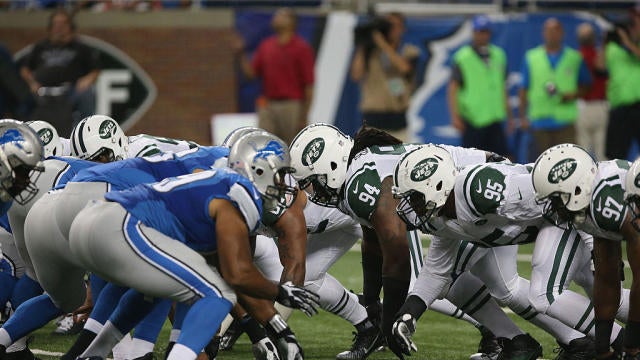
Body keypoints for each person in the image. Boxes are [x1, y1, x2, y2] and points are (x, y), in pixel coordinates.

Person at [289, 124, 541, 359]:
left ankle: (521, 336)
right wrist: (372, 299)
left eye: (313, 183)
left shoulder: (358, 180)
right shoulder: (355, 174)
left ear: (332, 165)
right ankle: (529, 340)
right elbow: (373, 239)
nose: (313, 194)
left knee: (433, 282)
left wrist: (387, 324)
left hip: (472, 197)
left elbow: (396, 252)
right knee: (506, 288)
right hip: (460, 196)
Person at [389, 144, 631, 359]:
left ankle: (622, 343)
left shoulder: (478, 190)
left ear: (437, 185)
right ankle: (616, 342)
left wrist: (594, 246)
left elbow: (567, 194)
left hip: (570, 214)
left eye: (414, 197)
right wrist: (408, 315)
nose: (409, 207)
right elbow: (436, 272)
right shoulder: (439, 218)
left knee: (547, 294)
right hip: (553, 222)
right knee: (611, 299)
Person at [531, 143, 639, 359]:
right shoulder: (591, 207)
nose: (553, 208)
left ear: (577, 189)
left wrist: (632, 347)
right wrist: (602, 349)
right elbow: (607, 278)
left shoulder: (607, 203)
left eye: (555, 198)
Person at [232, 8, 314, 145]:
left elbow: (309, 84)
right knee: (264, 144)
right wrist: (241, 52)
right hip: (268, 105)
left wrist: (304, 115)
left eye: (281, 16)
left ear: (292, 23)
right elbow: (252, 74)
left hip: (291, 105)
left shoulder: (301, 48)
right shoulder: (266, 46)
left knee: (293, 145)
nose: (276, 18)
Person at [519, 18, 592, 159]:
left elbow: (586, 85)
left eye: (555, 30)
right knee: (538, 166)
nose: (552, 34)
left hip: (565, 121)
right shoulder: (531, 57)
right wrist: (522, 117)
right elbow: (523, 89)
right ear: (543, 33)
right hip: (539, 121)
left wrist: (573, 95)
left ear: (562, 33)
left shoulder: (574, 58)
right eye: (548, 30)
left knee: (568, 165)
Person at [20, 8, 100, 137]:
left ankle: (86, 134)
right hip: (42, 91)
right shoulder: (40, 47)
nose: (59, 28)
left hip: (69, 91)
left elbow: (95, 70)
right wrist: (32, 83)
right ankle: (22, 135)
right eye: (56, 24)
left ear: (71, 27)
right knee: (21, 97)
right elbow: (25, 69)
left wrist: (87, 80)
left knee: (87, 94)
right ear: (50, 27)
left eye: (63, 24)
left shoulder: (80, 48)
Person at [350, 13, 420, 142]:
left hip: (397, 121)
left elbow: (405, 68)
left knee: (402, 161)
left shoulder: (408, 50)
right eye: (388, 25)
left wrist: (383, 44)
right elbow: (356, 75)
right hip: (372, 121)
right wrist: (362, 45)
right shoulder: (371, 52)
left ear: (403, 28)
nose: (392, 29)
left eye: (395, 26)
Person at [448, 15, 512, 156]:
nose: (483, 35)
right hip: (473, 118)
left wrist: (510, 117)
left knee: (500, 160)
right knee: (472, 160)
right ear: (474, 33)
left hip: (495, 117)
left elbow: (503, 87)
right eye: (480, 31)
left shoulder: (499, 55)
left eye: (485, 31)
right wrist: (455, 117)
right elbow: (453, 88)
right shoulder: (462, 57)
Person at [604, 7, 640, 161]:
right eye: (629, 24)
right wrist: (606, 42)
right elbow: (599, 68)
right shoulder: (613, 47)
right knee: (615, 154)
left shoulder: (633, 47)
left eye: (634, 24)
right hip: (620, 108)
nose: (631, 28)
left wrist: (628, 42)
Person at [576, 22, 608, 161]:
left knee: (583, 151)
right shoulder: (600, 55)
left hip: (585, 105)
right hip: (598, 105)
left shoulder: (575, 57)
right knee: (600, 151)